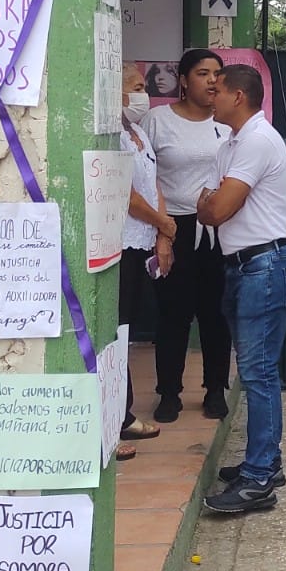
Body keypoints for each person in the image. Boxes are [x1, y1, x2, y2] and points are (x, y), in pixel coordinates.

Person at [198, 64, 286, 514]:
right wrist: (211, 203)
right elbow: (208, 201)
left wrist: (211, 203)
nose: (209, 93)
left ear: (238, 96)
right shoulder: (233, 143)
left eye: (217, 89)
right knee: (259, 371)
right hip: (249, 265)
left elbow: (215, 207)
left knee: (258, 373)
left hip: (264, 264)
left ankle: (259, 479)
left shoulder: (257, 141)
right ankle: (265, 463)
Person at [141, 49, 233, 422]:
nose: (212, 80)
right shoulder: (157, 121)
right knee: (173, 315)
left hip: (219, 230)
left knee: (216, 314)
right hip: (172, 226)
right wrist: (162, 231)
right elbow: (145, 177)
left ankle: (215, 389)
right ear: (182, 79)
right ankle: (168, 394)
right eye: (202, 73)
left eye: (217, 74)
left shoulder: (228, 126)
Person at [116, 64, 170, 460]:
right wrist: (163, 222)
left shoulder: (137, 133)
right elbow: (128, 195)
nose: (143, 95)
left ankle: (124, 412)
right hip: (118, 244)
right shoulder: (111, 135)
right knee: (113, 333)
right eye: (135, 87)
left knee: (124, 332)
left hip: (141, 243)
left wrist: (163, 232)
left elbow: (154, 185)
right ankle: (113, 420)